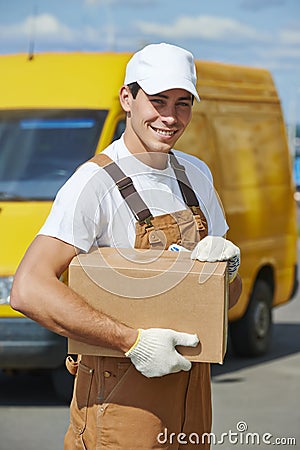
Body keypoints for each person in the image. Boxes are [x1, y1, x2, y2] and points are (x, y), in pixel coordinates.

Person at [11, 43, 242, 449]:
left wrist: (229, 272)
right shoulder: (94, 183)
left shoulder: (195, 175)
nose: (170, 118)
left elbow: (227, 299)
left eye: (182, 103)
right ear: (127, 99)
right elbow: (29, 289)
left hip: (193, 393)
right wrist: (132, 342)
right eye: (157, 101)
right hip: (119, 395)